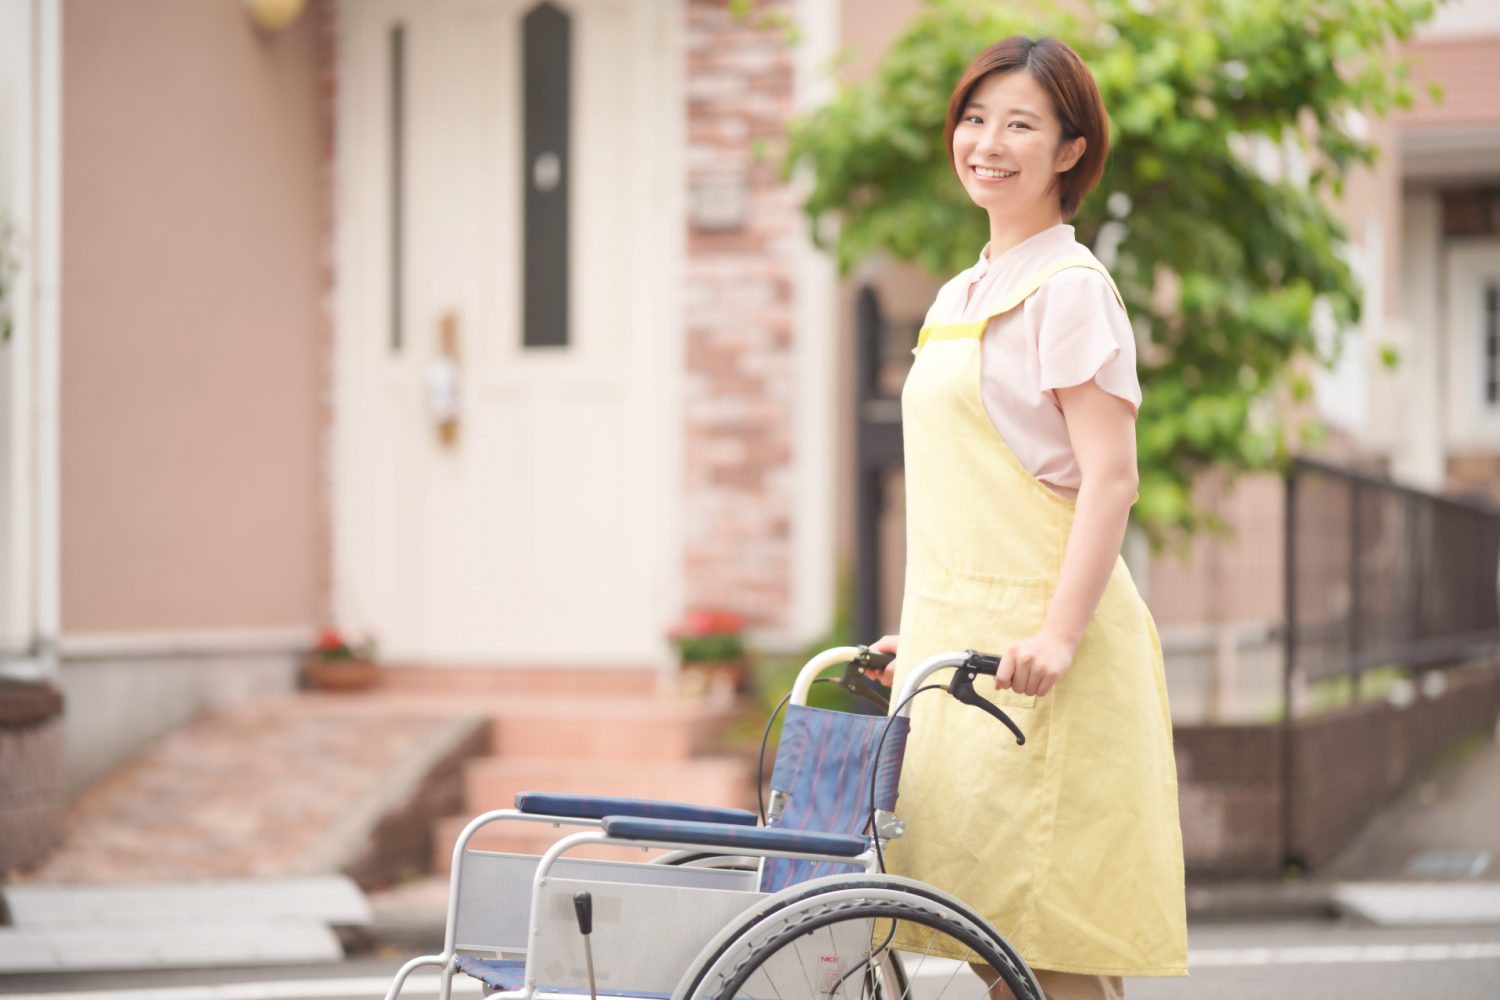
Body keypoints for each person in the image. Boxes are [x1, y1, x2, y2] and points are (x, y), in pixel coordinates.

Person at [865, 35, 1188, 1000]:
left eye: (1020, 125)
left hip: (1053, 666)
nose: (987, 143)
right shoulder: (960, 294)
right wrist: (919, 631)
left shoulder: (1072, 291)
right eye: (974, 119)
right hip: (970, 656)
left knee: (1049, 949)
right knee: (995, 945)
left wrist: (1057, 631)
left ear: (1070, 152)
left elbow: (1110, 479)